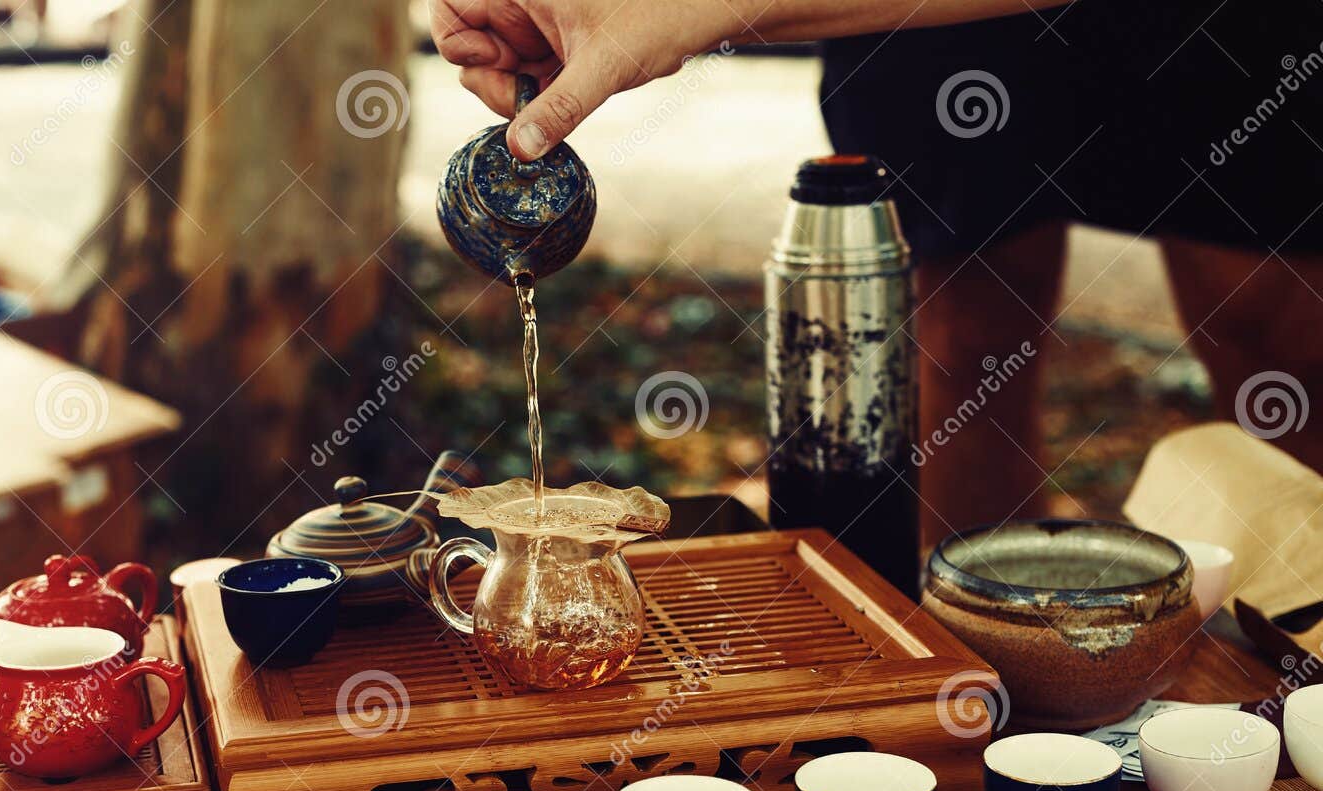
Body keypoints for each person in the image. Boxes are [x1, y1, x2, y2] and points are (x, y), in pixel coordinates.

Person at [431, 0, 1323, 541]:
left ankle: (1300, 653)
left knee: (1280, 339)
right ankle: (989, 686)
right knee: (964, 339)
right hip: (933, 51)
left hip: (1219, 27)